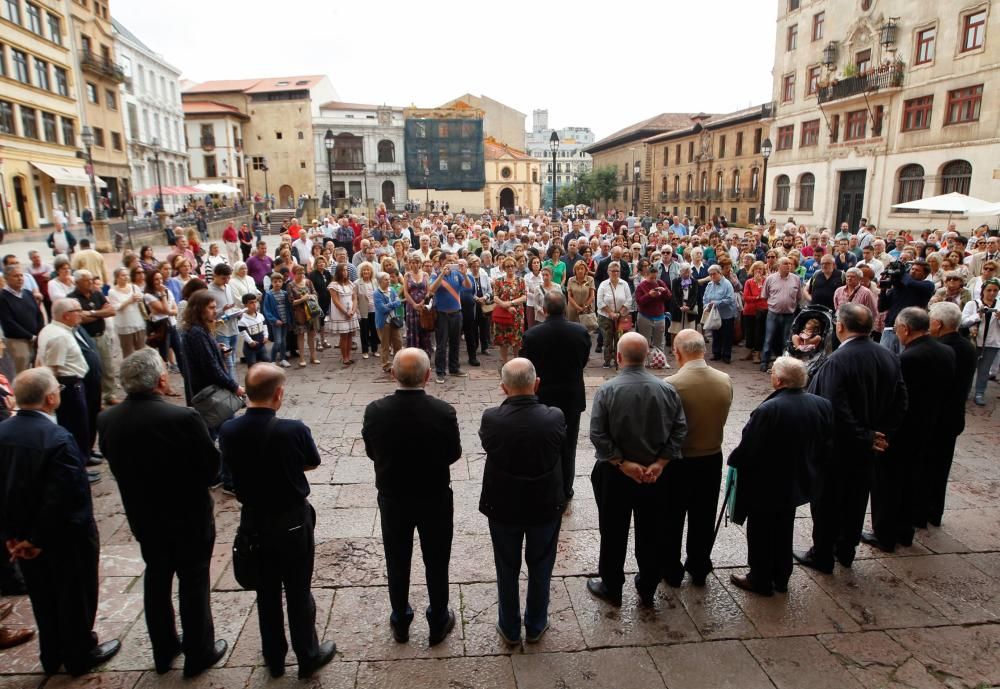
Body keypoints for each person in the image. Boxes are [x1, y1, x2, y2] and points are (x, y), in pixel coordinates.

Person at [97, 349, 226, 676]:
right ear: (161, 379)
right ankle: (199, 651)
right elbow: (211, 468)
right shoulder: (183, 418)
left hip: (145, 516)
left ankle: (164, 649)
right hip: (188, 515)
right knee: (193, 580)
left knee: (156, 578)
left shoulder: (108, 419)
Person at [0, 368, 121, 675]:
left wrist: (13, 537)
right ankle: (80, 652)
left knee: (42, 595)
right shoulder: (57, 438)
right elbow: (66, 497)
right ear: (51, 398)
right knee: (75, 594)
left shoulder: (3, 432)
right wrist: (37, 539)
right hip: (62, 539)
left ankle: (51, 654)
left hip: (22, 539)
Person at [219, 364, 335, 678]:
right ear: (278, 394)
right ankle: (307, 655)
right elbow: (311, 462)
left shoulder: (228, 430)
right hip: (291, 519)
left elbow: (228, 470)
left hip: (253, 520)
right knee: (298, 589)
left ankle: (274, 658)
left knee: (266, 591)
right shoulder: (293, 429)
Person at [796, 303, 908, 573]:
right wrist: (881, 435)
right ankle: (846, 550)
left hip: (840, 446)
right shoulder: (888, 355)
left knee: (828, 500)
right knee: (857, 497)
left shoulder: (838, 360)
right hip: (868, 445)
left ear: (841, 326)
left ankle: (822, 554)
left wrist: (865, 435)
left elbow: (834, 406)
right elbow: (901, 400)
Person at [362, 348, 460, 645]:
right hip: (434, 496)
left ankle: (401, 620)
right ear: (428, 376)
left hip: (394, 497)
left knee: (397, 558)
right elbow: (453, 454)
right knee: (437, 558)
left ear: (393, 374)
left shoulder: (375, 410)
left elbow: (371, 452)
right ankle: (439, 618)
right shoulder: (443, 411)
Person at [587, 332, 687, 607]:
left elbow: (598, 433)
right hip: (654, 474)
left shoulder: (608, 390)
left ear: (619, 357)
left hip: (617, 475)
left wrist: (622, 462)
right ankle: (647, 585)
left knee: (612, 529)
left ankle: (612, 586)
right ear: (646, 357)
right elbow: (679, 430)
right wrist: (660, 463)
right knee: (651, 530)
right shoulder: (666, 389)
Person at [727, 356, 832, 596]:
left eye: (773, 372)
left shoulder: (769, 409)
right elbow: (826, 442)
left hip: (767, 483)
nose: (771, 375)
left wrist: (734, 461)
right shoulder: (821, 404)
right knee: (784, 528)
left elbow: (749, 449)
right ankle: (781, 576)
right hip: (797, 479)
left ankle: (760, 578)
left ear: (779, 380)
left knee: (761, 532)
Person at [478, 358, 566, 645]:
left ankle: (509, 626)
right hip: (544, 503)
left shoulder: (492, 419)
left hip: (503, 505)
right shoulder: (554, 416)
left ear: (503, 388)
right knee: (541, 565)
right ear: (536, 383)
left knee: (506, 567)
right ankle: (536, 623)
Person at [864, 307, 955, 552]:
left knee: (888, 484)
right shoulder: (946, 351)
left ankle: (884, 534)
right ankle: (905, 531)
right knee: (912, 482)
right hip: (928, 428)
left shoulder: (908, 359)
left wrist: (882, 430)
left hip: (903, 431)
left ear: (905, 329)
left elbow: (896, 399)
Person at [663, 329, 733, 586]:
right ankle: (699, 564)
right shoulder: (724, 379)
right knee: (703, 515)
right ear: (703, 350)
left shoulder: (672, 385)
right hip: (711, 455)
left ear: (677, 352)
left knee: (672, 515)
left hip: (680, 460)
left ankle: (671, 568)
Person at [521, 292, 591, 500]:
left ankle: (545, 487)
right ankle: (566, 488)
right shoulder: (580, 332)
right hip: (571, 396)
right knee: (568, 445)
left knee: (542, 443)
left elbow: (528, 366)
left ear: (543, 310)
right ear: (564, 308)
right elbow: (583, 360)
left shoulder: (532, 335)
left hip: (543, 396)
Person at [926, 302, 978, 525]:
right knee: (941, 467)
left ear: (937, 324)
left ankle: (923, 511)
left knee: (927, 467)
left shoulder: (940, 349)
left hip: (937, 417)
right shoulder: (967, 346)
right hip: (954, 415)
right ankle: (934, 512)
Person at [69, 270, 119, 406]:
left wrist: (92, 313)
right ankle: (97, 399)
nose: (90, 282)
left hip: (101, 335)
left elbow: (111, 311)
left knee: (107, 366)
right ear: (77, 282)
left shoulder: (97, 293)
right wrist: (100, 313)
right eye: (86, 280)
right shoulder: (72, 298)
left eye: (91, 279)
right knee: (92, 370)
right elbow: (80, 318)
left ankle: (110, 394)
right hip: (87, 339)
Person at [429, 255, 472, 383]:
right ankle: (440, 372)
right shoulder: (435, 274)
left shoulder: (457, 274)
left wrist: (464, 274)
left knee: (455, 342)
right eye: (448, 261)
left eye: (453, 261)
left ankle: (454, 368)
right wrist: (442, 274)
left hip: (456, 313)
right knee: (442, 344)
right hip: (442, 314)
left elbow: (468, 286)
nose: (451, 263)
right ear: (442, 262)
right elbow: (431, 290)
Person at [878, 259, 935, 354]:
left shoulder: (927, 286)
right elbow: (881, 308)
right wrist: (883, 290)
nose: (913, 271)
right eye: (912, 269)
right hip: (890, 329)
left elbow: (910, 283)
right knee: (884, 360)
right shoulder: (899, 287)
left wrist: (901, 272)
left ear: (925, 275)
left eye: (917, 270)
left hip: (909, 331)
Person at [961, 278, 1000, 406]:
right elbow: (963, 322)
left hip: (991, 343)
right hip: (973, 341)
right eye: (989, 290)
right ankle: (964, 392)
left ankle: (980, 393)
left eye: (995, 290)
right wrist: (978, 315)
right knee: (968, 368)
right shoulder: (972, 304)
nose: (992, 293)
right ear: (983, 290)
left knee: (984, 370)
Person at [0, 265, 45, 373]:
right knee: (21, 373)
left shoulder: (28, 293)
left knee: (37, 371)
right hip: (17, 341)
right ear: (6, 278)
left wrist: (39, 333)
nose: (20, 278)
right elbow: (8, 322)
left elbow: (38, 314)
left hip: (35, 339)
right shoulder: (2, 297)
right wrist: (31, 337)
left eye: (21, 275)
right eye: (16, 276)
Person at [760, 257, 801, 371]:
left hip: (789, 314)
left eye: (790, 263)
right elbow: (765, 295)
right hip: (773, 314)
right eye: (785, 263)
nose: (788, 265)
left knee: (786, 340)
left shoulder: (796, 279)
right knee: (769, 338)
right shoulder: (770, 279)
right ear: (779, 266)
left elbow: (799, 297)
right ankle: (764, 362)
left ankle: (784, 365)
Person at [491, 257, 527, 367]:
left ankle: (516, 360)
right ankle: (504, 362)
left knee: (516, 338)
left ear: (515, 267)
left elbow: (524, 297)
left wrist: (511, 303)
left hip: (517, 314)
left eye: (512, 266)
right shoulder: (499, 281)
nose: (510, 268)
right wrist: (505, 306)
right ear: (504, 268)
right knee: (503, 339)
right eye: (507, 266)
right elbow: (495, 297)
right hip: (502, 313)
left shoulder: (521, 280)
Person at [596, 261, 632, 369]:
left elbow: (629, 300)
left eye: (617, 271)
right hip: (605, 316)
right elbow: (600, 301)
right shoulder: (603, 284)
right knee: (607, 339)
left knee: (619, 338)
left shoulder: (624, 284)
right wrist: (610, 313)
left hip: (621, 317)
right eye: (613, 271)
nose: (615, 273)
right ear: (608, 271)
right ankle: (607, 361)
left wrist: (619, 313)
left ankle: (618, 360)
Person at [207, 264, 240, 378]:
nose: (226, 280)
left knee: (233, 360)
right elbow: (209, 313)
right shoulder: (209, 291)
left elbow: (231, 306)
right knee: (228, 362)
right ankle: (233, 389)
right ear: (215, 276)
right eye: (223, 278)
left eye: (228, 278)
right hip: (221, 330)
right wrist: (222, 310)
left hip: (233, 327)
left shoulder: (228, 287)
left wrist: (238, 312)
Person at [702, 265, 736, 363]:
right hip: (713, 314)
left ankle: (726, 355)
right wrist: (706, 306)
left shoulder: (727, 284)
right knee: (715, 334)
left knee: (726, 335)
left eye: (714, 274)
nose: (712, 276)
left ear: (720, 273)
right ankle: (716, 353)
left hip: (726, 314)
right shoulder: (710, 285)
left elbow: (730, 299)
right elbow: (705, 298)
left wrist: (716, 303)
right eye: (710, 274)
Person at [374, 273, 403, 373]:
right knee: (385, 345)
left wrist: (390, 304)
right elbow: (382, 309)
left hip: (393, 321)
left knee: (398, 342)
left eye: (389, 279)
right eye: (386, 280)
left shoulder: (392, 290)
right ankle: (385, 364)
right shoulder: (377, 293)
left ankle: (398, 362)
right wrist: (394, 304)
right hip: (383, 322)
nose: (388, 281)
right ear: (380, 281)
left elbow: (398, 302)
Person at [238, 294, 270, 371]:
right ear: (245, 305)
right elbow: (243, 333)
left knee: (267, 361)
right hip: (250, 348)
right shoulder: (243, 320)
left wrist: (266, 336)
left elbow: (264, 326)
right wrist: (250, 341)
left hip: (261, 345)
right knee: (252, 365)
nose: (254, 304)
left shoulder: (260, 316)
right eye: (251, 303)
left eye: (255, 302)